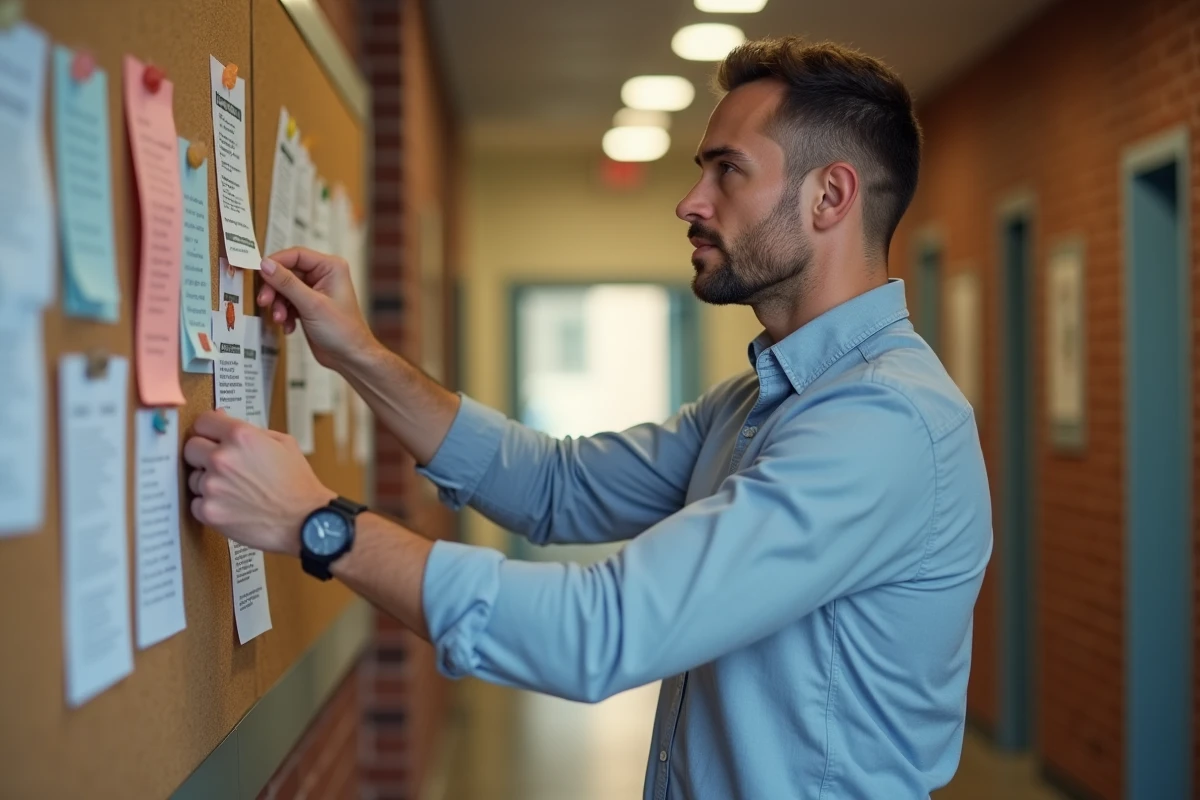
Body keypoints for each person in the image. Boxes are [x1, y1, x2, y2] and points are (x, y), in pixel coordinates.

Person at [184, 37, 992, 799]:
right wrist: (357, 353)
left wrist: (317, 524)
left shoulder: (885, 426)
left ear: (830, 195)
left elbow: (603, 631)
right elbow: (556, 486)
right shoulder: (759, 401)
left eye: (726, 171)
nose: (689, 202)